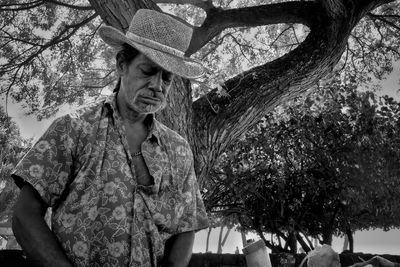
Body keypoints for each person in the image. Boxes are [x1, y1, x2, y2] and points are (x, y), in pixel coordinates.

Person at [11, 9, 209, 267]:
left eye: (167, 78)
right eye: (148, 71)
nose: (157, 86)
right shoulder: (74, 128)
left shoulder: (179, 149)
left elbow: (186, 226)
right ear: (121, 65)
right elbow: (25, 215)